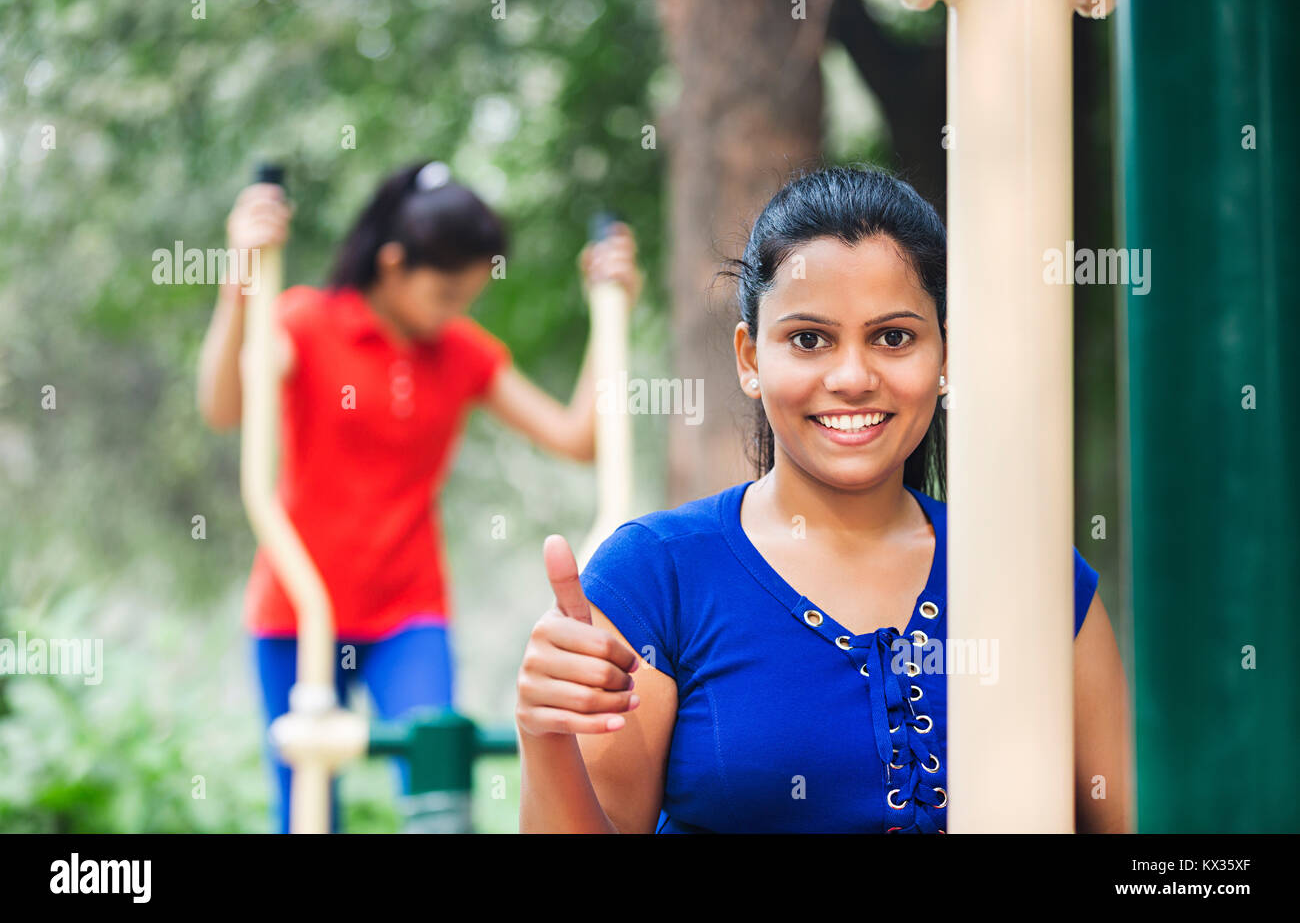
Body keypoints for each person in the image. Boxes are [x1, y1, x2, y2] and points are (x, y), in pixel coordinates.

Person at [514, 164, 1133, 833]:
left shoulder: (1037, 580)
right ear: (750, 358)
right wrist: (544, 736)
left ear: (946, 353)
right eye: (809, 340)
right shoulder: (656, 576)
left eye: (893, 338)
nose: (852, 377)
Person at [197, 160, 643, 833]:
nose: (454, 311)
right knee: (308, 804)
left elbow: (578, 437)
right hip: (298, 605)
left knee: (437, 789)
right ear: (393, 263)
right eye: (442, 293)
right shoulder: (308, 323)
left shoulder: (459, 352)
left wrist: (613, 319)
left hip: (407, 607)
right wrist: (242, 282)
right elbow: (226, 404)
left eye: (466, 297)